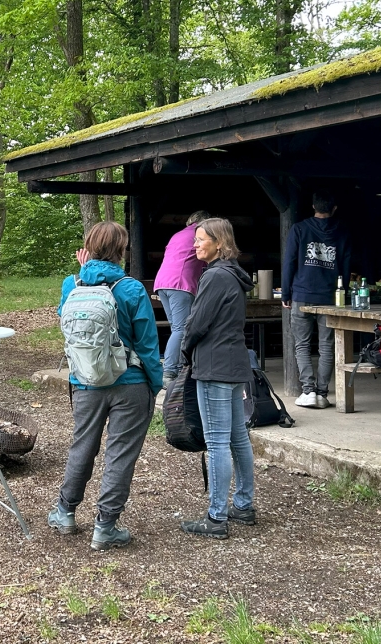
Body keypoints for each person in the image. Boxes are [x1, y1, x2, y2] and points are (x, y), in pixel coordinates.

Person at [48, 221, 162, 551]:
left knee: (82, 446)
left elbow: (65, 320)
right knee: (120, 455)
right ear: (121, 250)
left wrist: (84, 272)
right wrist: (156, 383)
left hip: (85, 381)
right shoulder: (131, 288)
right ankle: (105, 527)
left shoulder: (72, 284)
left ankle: (65, 513)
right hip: (130, 383)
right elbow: (148, 344)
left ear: (90, 247)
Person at [179, 217, 257, 540]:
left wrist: (184, 348)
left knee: (217, 442)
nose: (195, 244)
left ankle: (216, 516)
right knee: (238, 437)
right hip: (234, 365)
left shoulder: (214, 277)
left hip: (214, 367)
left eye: (201, 240)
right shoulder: (235, 275)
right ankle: (244, 504)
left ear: (219, 243)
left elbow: (197, 324)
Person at [282, 191, 350, 409]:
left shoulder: (300, 229)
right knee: (326, 346)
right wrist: (343, 292)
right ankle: (322, 394)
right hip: (330, 296)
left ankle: (308, 391)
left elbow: (289, 262)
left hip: (302, 294)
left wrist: (285, 293)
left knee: (302, 345)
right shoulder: (342, 232)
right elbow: (346, 267)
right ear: (334, 208)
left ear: (313, 206)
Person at [153, 210, 212, 389]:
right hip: (180, 283)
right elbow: (207, 260)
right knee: (181, 328)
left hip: (162, 283)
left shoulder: (178, 234)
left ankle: (178, 367)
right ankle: (170, 371)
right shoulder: (201, 234)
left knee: (177, 329)